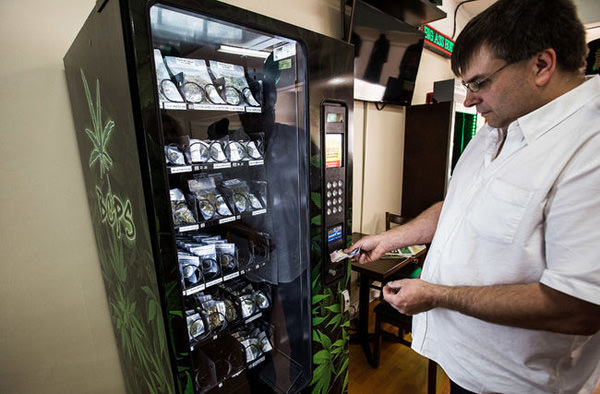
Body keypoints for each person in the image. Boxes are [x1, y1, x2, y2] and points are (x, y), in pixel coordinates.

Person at [347, 0, 600, 392]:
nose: (468, 100)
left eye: (479, 83)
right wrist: (390, 238)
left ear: (542, 65)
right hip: (464, 367)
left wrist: (437, 295)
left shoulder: (590, 147)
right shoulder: (498, 124)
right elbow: (460, 207)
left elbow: (577, 308)